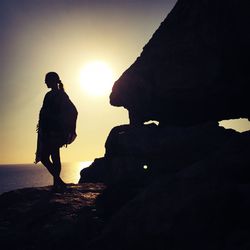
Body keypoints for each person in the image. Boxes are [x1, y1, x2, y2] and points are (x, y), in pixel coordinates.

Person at [35, 72, 77, 190]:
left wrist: (68, 127)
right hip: (49, 131)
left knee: (50, 156)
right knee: (52, 156)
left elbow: (73, 111)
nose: (45, 82)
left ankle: (57, 182)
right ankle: (57, 182)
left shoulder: (60, 95)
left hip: (55, 132)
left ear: (53, 81)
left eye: (47, 80)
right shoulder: (50, 95)